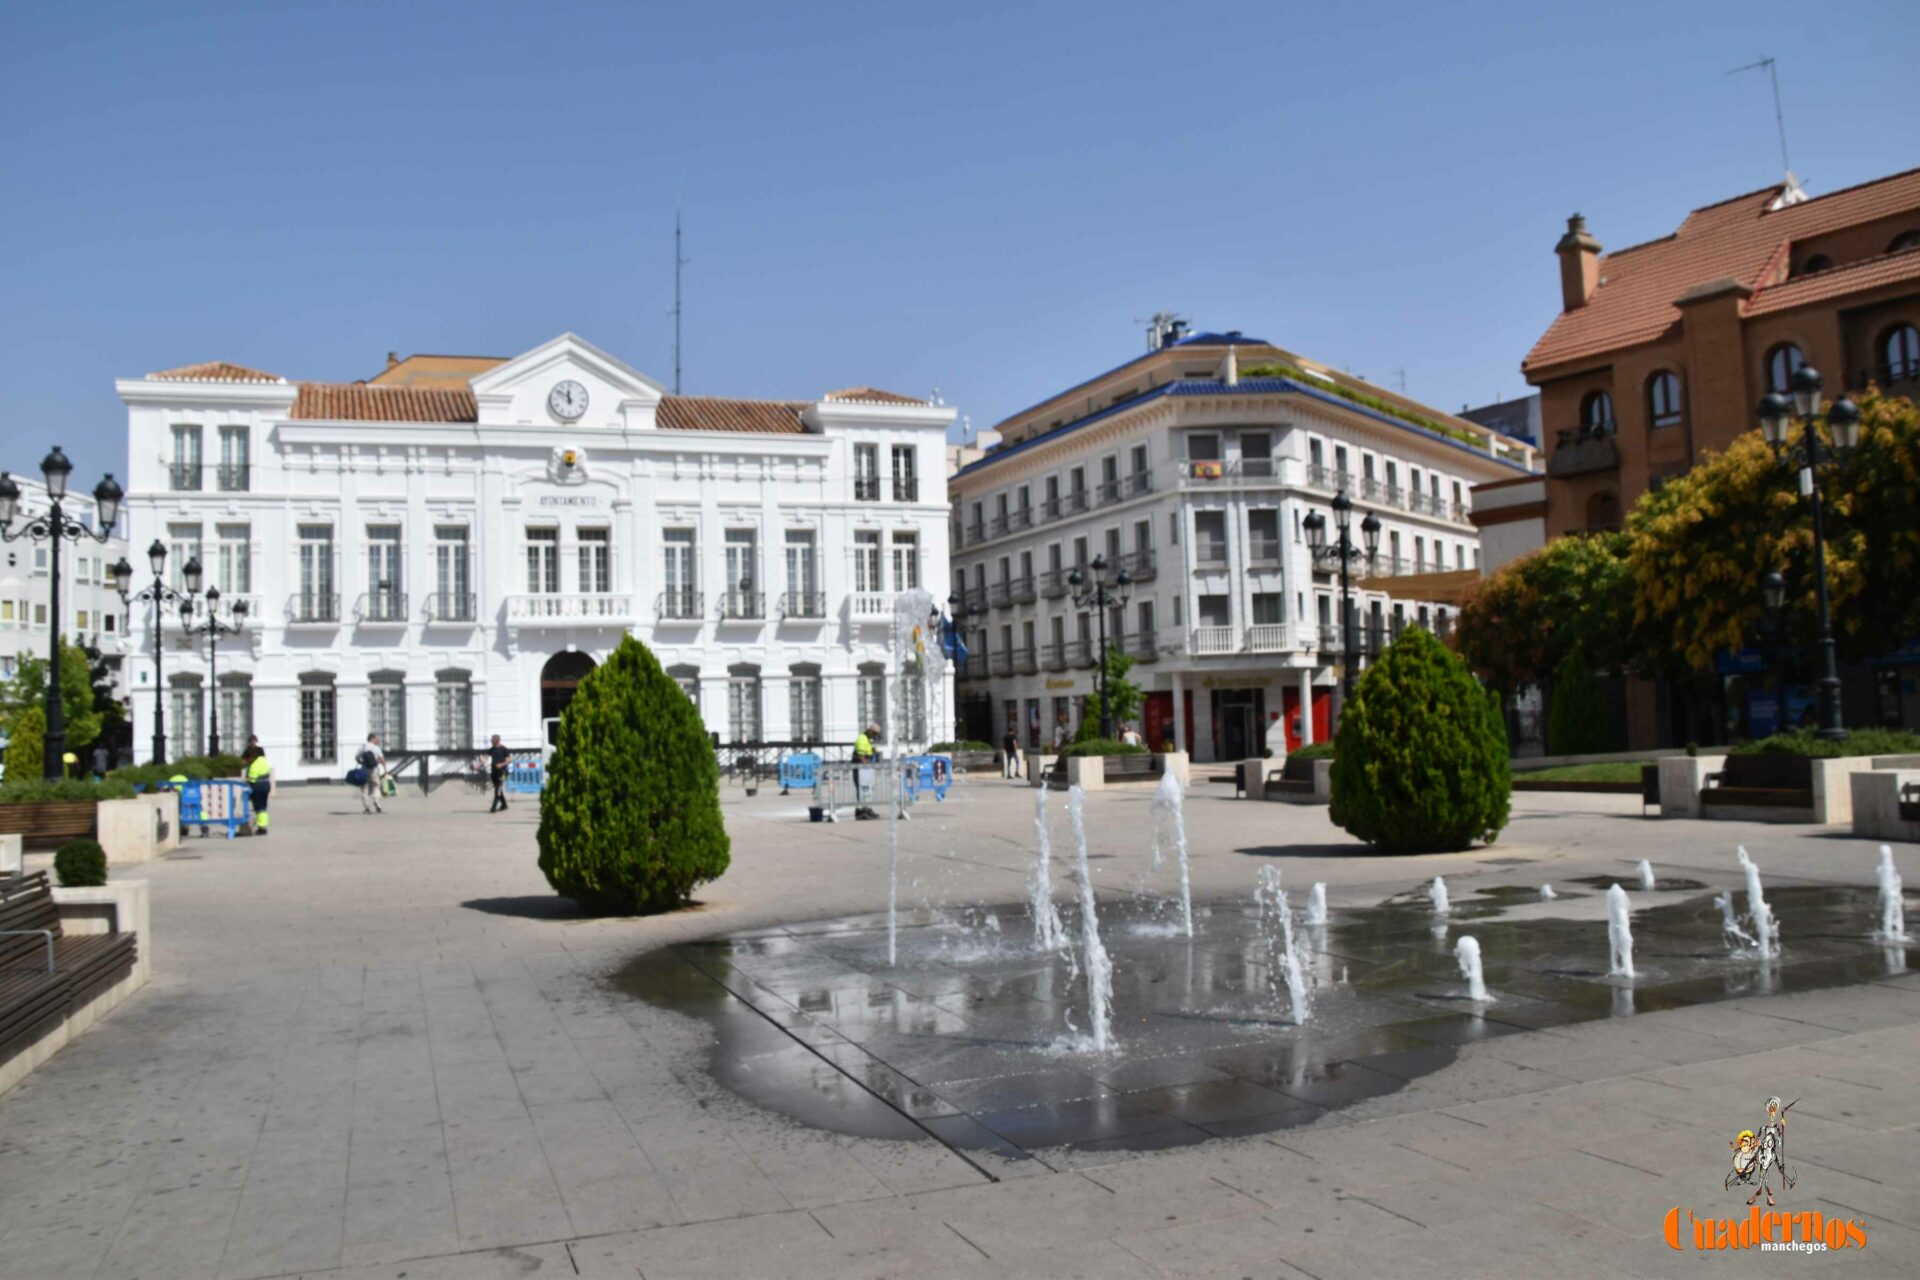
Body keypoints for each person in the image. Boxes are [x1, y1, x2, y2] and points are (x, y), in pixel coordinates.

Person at [851, 722, 878, 820]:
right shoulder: (862, 739)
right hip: (861, 770)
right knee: (862, 790)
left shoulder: (867, 739)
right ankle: (861, 811)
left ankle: (866, 809)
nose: (876, 736)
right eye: (875, 734)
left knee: (866, 790)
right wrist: (866, 766)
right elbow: (861, 756)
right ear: (870, 731)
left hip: (865, 770)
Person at [243, 745, 272, 835]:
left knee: (258, 808)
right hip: (266, 785)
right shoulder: (264, 761)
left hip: (258, 787)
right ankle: (263, 826)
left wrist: (247, 783)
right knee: (263, 807)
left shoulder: (254, 764)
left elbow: (252, 779)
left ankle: (261, 828)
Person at [357, 734, 386, 814]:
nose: (377, 740)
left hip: (364, 770)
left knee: (364, 789)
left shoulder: (362, 747)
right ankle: (377, 802)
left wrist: (361, 762)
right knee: (376, 786)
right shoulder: (376, 748)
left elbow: (356, 758)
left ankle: (366, 808)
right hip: (374, 770)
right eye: (376, 739)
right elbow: (382, 759)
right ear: (372, 738)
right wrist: (385, 768)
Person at [488, 734, 511, 813]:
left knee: (498, 788)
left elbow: (509, 760)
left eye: (492, 740)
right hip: (494, 772)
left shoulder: (504, 749)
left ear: (497, 741)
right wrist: (478, 765)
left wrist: (501, 764)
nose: (491, 741)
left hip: (503, 772)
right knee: (498, 789)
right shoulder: (492, 749)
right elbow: (485, 757)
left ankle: (493, 807)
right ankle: (504, 804)